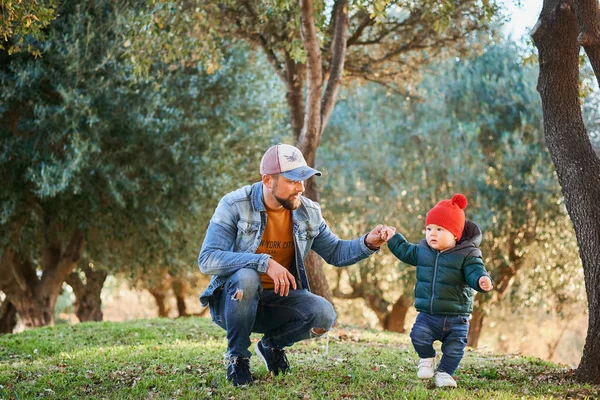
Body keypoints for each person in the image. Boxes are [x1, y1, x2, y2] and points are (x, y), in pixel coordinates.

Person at [198, 143, 394, 386]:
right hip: (234, 303)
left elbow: (335, 252)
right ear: (268, 180)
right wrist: (263, 262)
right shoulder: (235, 204)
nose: (301, 187)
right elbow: (207, 259)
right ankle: (238, 359)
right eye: (293, 180)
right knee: (248, 277)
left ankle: (271, 346)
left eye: (303, 179)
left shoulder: (308, 212)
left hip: (278, 303)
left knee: (324, 314)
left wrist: (368, 242)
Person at [380, 194, 493, 388]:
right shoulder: (424, 250)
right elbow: (406, 251)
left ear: (455, 235)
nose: (432, 233)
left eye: (440, 229)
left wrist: (482, 280)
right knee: (418, 335)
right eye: (429, 228)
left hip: (457, 316)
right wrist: (393, 238)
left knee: (455, 348)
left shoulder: (467, 253)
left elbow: (475, 271)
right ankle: (427, 358)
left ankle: (444, 373)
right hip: (429, 315)